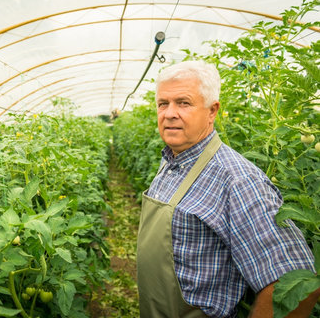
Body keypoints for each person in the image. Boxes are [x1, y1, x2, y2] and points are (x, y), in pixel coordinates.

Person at [136, 60, 319, 317]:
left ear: (212, 111)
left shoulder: (238, 180)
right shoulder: (172, 160)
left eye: (183, 103)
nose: (169, 113)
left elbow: (297, 282)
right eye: (163, 103)